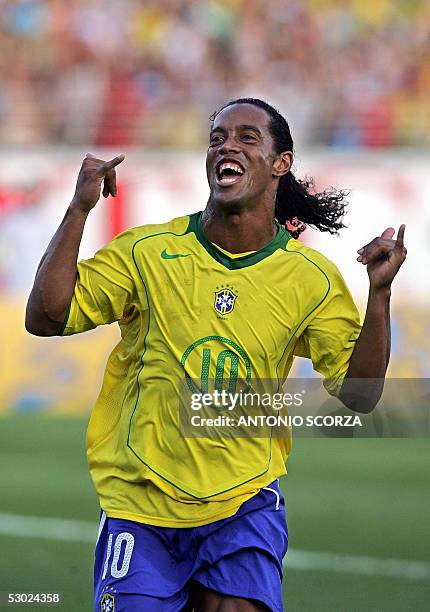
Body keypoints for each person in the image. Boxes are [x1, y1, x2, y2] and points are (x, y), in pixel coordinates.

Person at [26, 98, 406, 612]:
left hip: (243, 504)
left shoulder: (311, 279)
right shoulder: (148, 252)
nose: (227, 145)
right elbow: (46, 317)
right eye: (217, 138)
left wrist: (378, 297)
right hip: (141, 504)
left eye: (248, 137)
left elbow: (360, 395)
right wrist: (79, 209)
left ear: (281, 163)